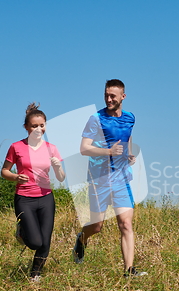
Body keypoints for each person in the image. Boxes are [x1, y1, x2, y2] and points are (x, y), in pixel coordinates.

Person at [72, 79, 147, 277]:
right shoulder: (96, 118)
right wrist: (109, 151)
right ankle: (82, 239)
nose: (108, 99)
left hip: (121, 178)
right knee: (97, 226)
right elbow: (84, 148)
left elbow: (127, 136)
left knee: (126, 224)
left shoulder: (130, 117)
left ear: (123, 96)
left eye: (113, 95)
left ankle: (129, 271)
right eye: (106, 95)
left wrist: (128, 153)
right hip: (100, 179)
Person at [1, 102, 65, 282]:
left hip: (46, 198)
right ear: (26, 127)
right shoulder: (16, 147)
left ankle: (35, 275)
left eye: (42, 125)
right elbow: (4, 171)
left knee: (45, 241)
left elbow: (61, 177)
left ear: (45, 125)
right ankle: (22, 232)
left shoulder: (51, 148)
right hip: (24, 198)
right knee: (35, 242)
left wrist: (58, 167)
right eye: (34, 126)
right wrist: (15, 177)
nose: (38, 129)